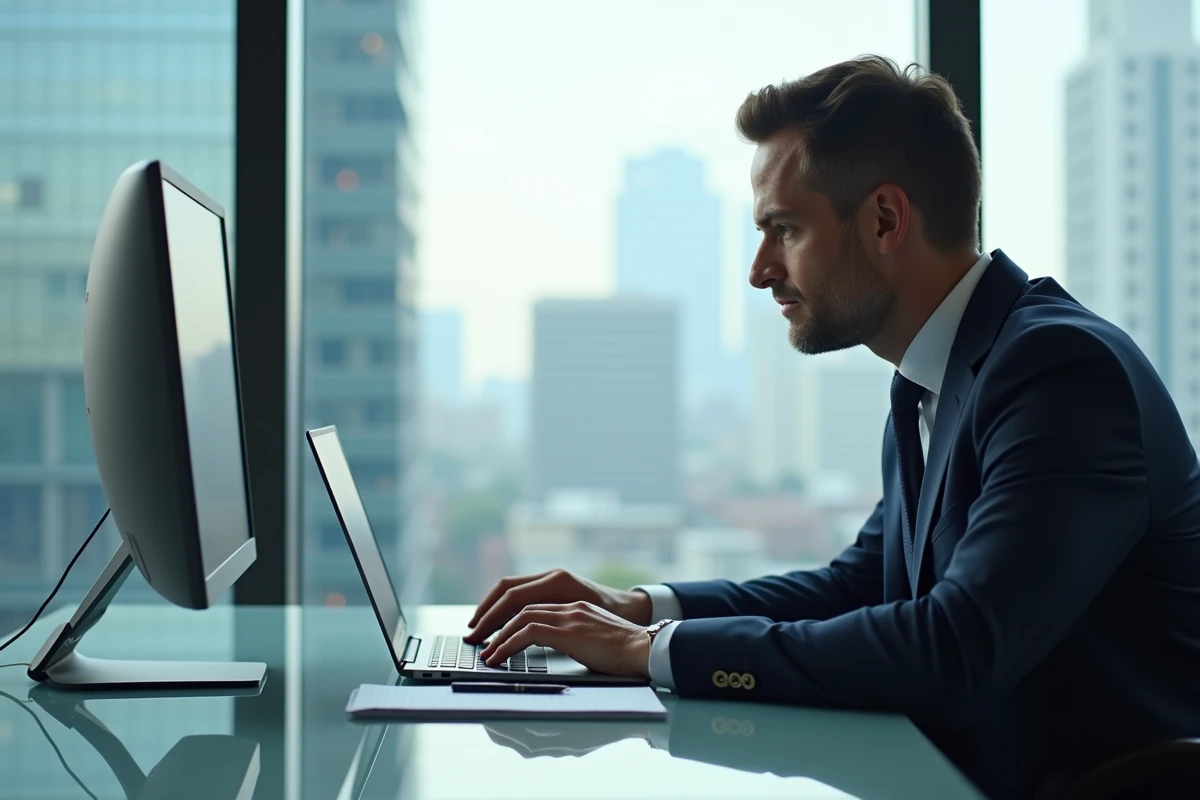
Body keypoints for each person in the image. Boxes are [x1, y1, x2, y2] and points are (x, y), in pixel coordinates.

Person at [464, 55, 1200, 798]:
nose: (759, 270)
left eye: (783, 229)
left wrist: (652, 650)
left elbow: (955, 649)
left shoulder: (1059, 373)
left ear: (885, 219)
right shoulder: (935, 379)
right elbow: (861, 587)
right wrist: (642, 610)